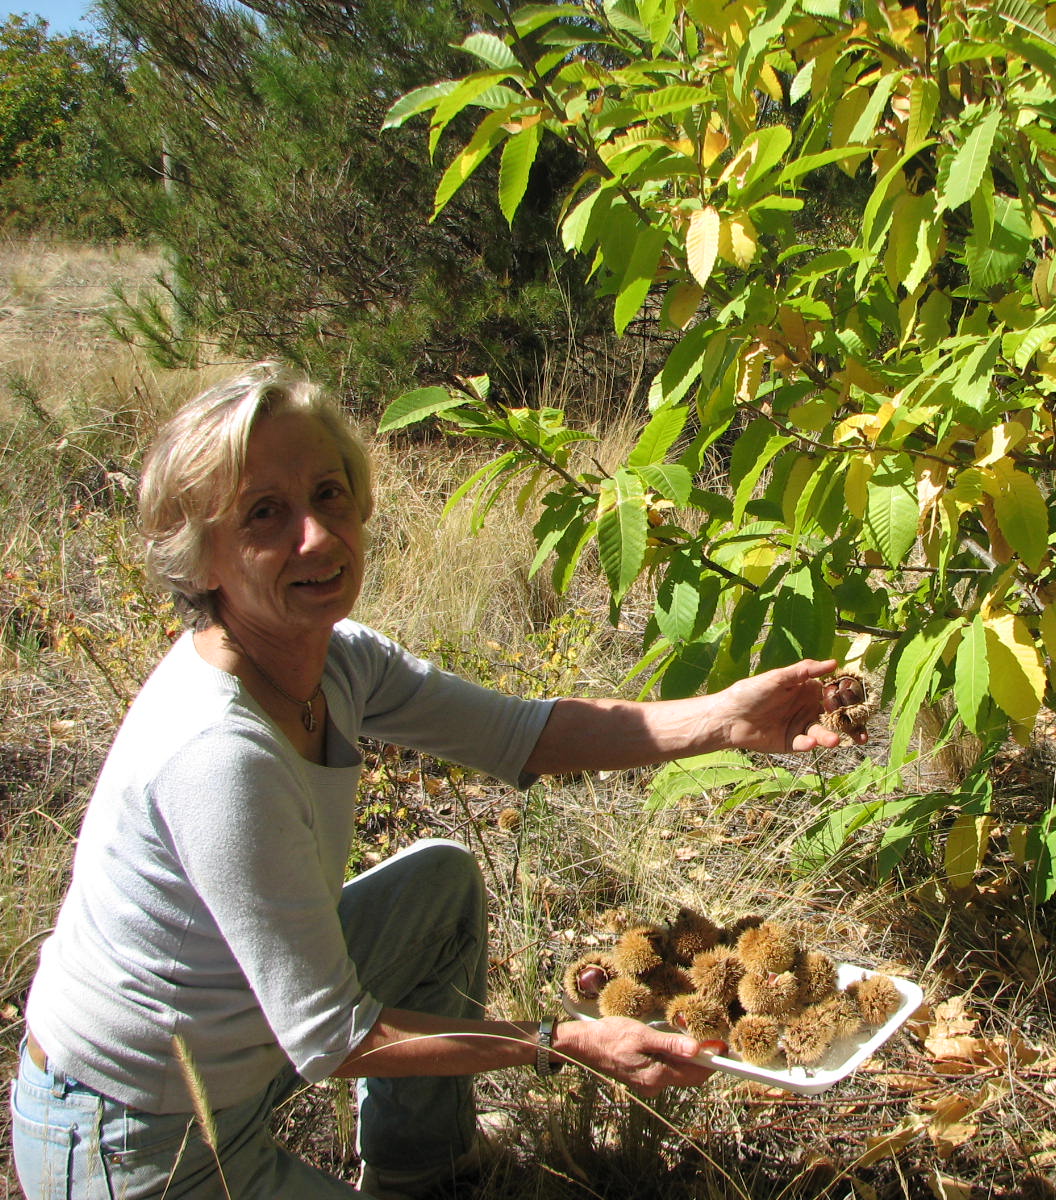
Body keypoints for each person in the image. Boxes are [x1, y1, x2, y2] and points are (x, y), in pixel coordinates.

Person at [9, 365, 861, 1199]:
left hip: (244, 1049)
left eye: (329, 494)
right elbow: (337, 1036)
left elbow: (523, 732)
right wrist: (560, 1042)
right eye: (265, 514)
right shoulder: (218, 753)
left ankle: (423, 1168)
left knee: (439, 885)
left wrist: (722, 719)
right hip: (129, 1140)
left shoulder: (337, 662)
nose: (316, 536)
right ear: (202, 561)